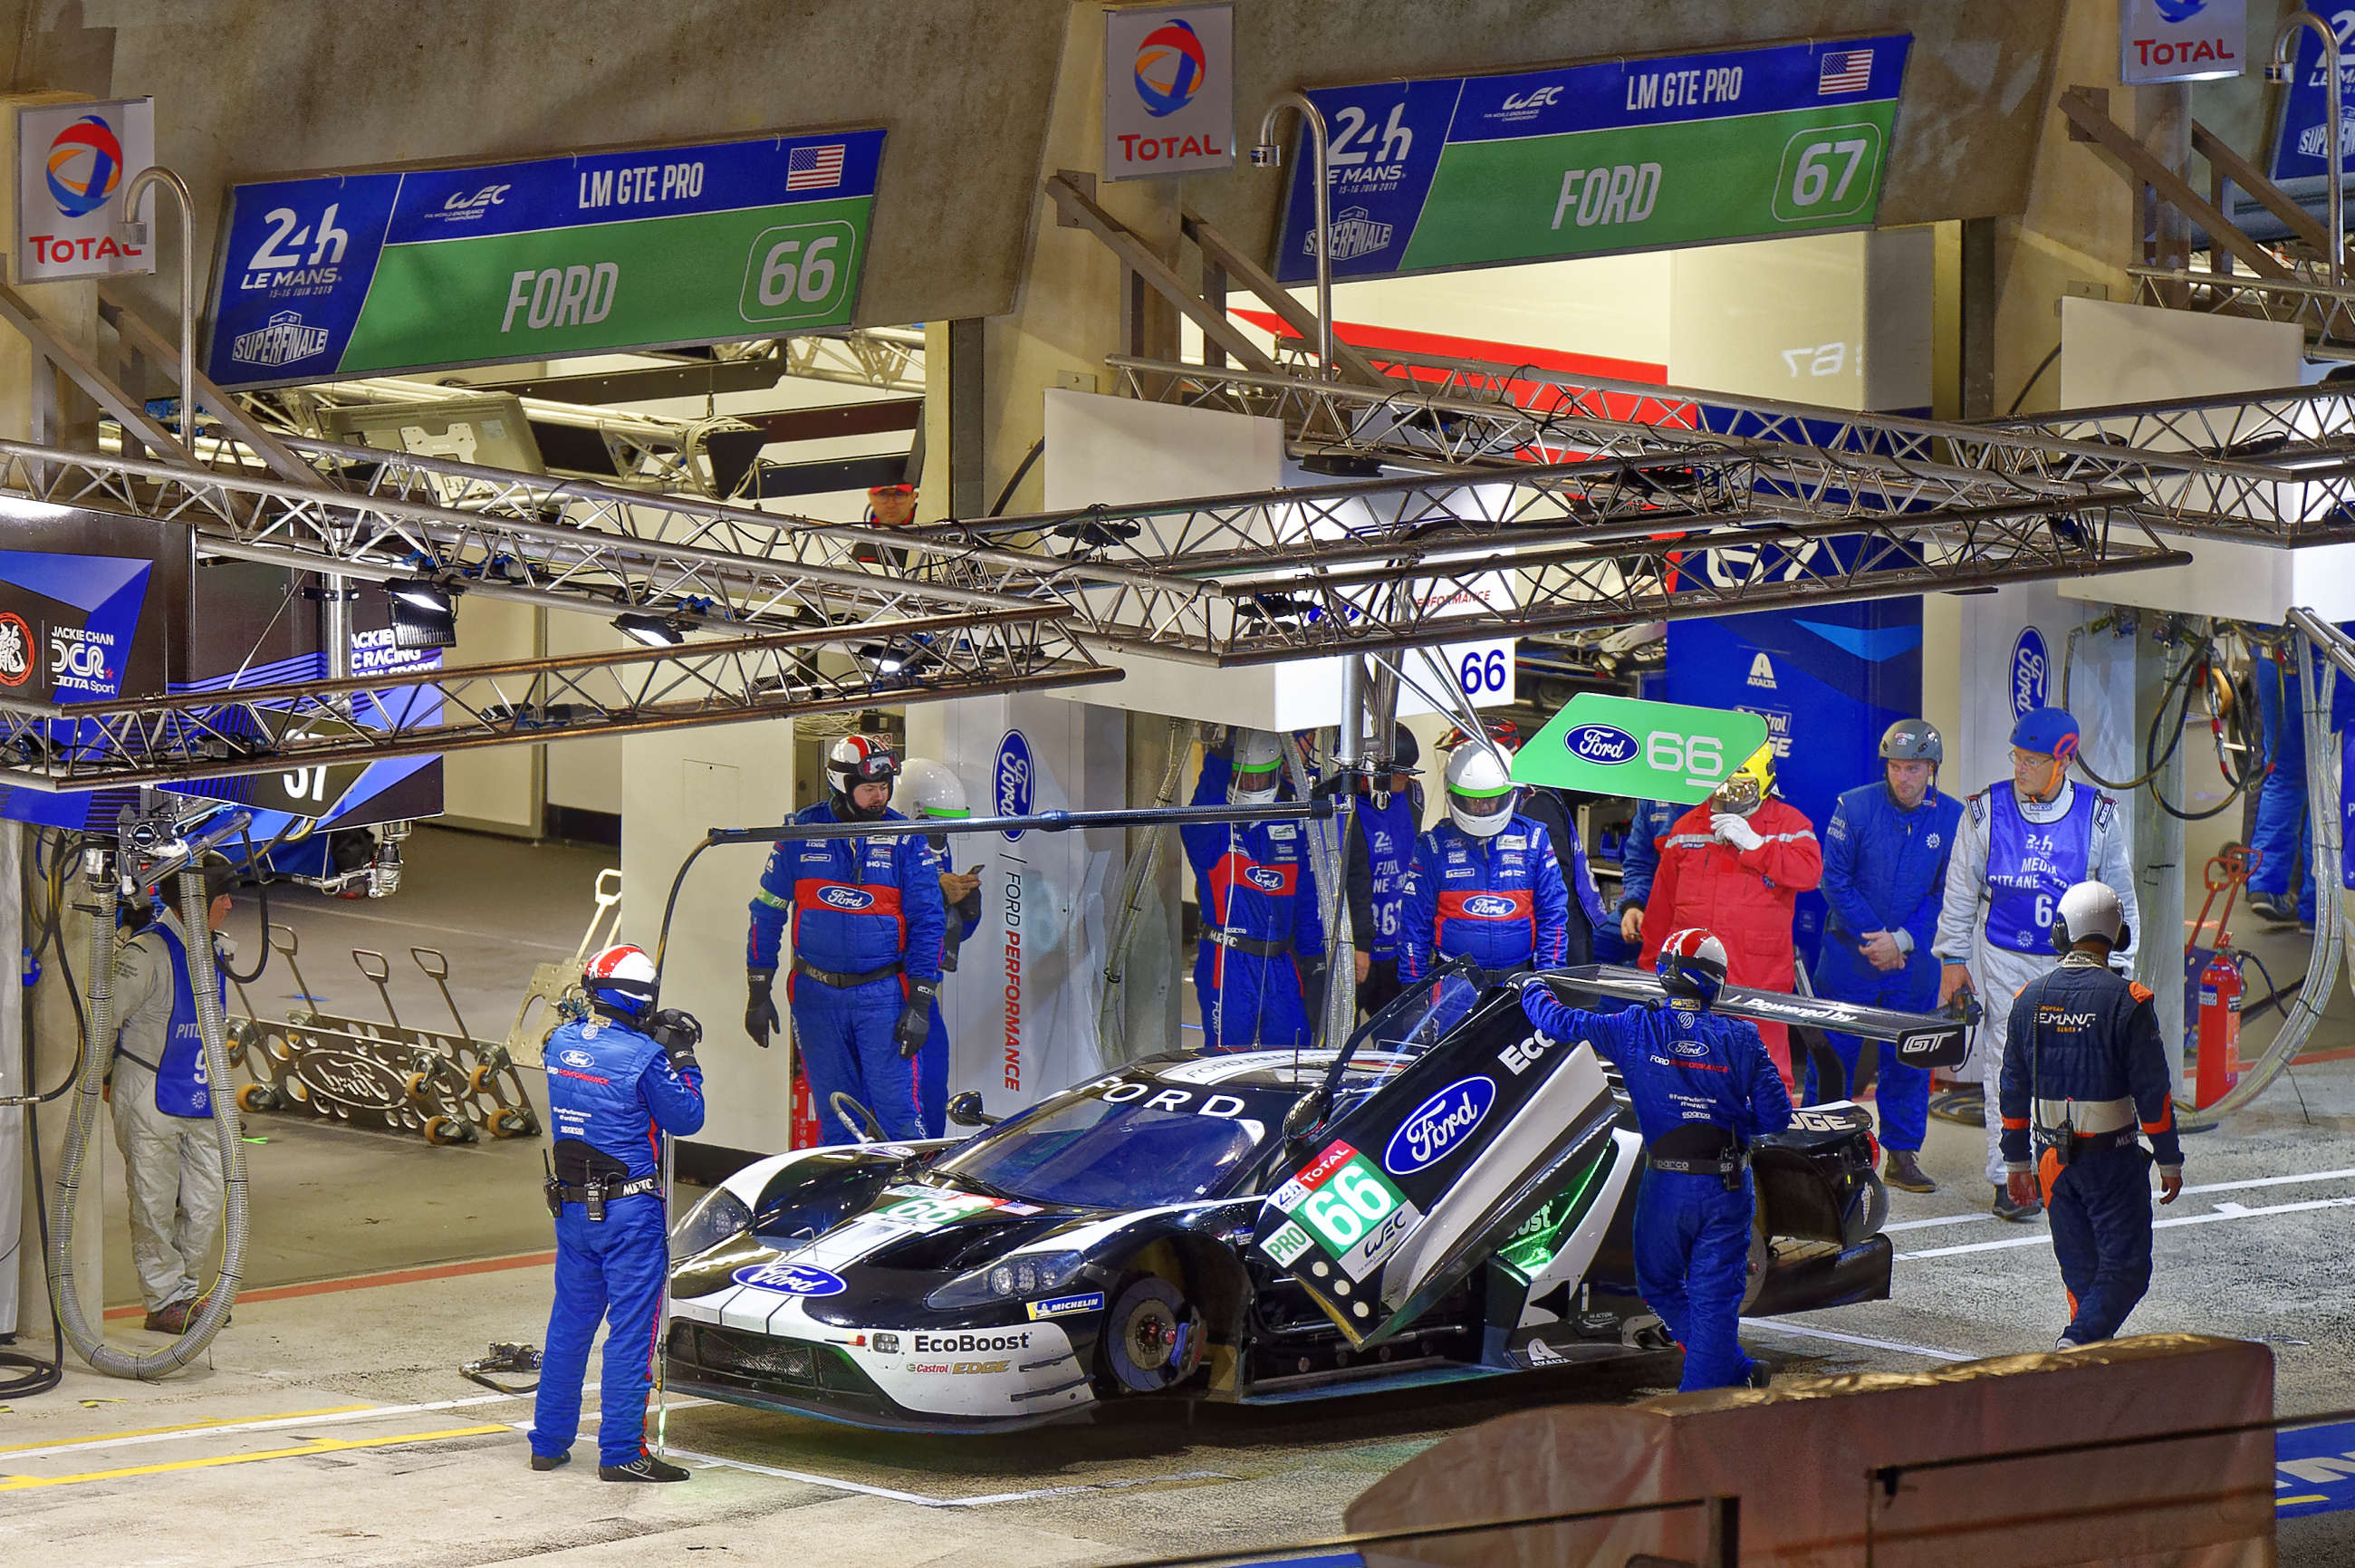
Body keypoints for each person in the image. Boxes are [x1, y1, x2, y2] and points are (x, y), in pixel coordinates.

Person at [1519, 928, 1793, 1390]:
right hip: (1725, 1187)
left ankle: (1716, 1390)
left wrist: (1532, 988)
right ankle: (1720, 1386)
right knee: (1713, 1301)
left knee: (1660, 1286)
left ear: (1664, 976)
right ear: (1716, 982)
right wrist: (1727, 1120)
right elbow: (1776, 1117)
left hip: (1663, 1187)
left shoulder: (1631, 1026)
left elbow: (1557, 1022)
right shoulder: (1743, 1037)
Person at [1936, 705, 2139, 1222]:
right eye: (2016, 757)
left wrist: (2123, 970)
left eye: (2031, 760)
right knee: (2006, 1067)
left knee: (2076, 1070)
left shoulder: (2098, 816)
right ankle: (2008, 1177)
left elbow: (2120, 899)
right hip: (2003, 958)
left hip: (2075, 964)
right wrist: (1953, 959)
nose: (2019, 767)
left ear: (2062, 761)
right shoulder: (1984, 812)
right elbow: (1959, 893)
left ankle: (2070, 1173)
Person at [529, 945, 706, 1481]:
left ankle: (549, 1442)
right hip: (630, 1214)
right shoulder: (645, 1058)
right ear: (641, 1000)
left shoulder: (558, 1043)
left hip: (573, 1210)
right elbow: (687, 1117)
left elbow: (596, 1053)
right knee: (631, 1331)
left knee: (570, 1325)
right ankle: (622, 1452)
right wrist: (682, 1059)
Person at [2000, 882, 2182, 1348]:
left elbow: (2012, 1088)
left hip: (2049, 1162)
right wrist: (2169, 1159)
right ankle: (2077, 1343)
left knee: (2082, 1276)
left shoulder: (2029, 998)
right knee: (2126, 1269)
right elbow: (2153, 1093)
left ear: (2062, 932)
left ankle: (2081, 1366)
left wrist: (2016, 1163)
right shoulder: (2130, 1000)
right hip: (2111, 1161)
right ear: (2116, 937)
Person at [745, 734, 947, 1141]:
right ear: (840, 783)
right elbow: (766, 912)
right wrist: (758, 987)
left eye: (885, 787)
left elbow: (929, 922)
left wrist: (921, 1002)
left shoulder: (906, 839)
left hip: (884, 997)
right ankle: (843, 1204)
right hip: (814, 996)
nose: (880, 796)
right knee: (838, 1119)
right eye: (870, 787)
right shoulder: (799, 832)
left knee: (900, 1117)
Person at [1812, 718, 1962, 1194]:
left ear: (1932, 768)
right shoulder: (1853, 807)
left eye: (1913, 768)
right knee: (1834, 1058)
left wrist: (1903, 941)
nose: (1903, 777)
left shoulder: (1953, 818)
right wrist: (1877, 936)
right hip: (1850, 955)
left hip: (1913, 964)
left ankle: (1902, 1155)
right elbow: (1833, 879)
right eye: (1896, 767)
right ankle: (1819, 1153)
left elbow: (1949, 892)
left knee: (1910, 1059)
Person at [1639, 744, 1821, 1092]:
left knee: (1763, 1077)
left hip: (1758, 981)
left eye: (1739, 789)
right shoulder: (1686, 827)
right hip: (1689, 979)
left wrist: (1757, 846)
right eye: (1720, 787)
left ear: (1764, 782)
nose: (1728, 798)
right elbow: (1661, 909)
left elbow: (1809, 873)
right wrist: (1651, 974)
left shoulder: (1789, 825)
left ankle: (1769, 1144)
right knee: (1686, 1075)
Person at [111, 857, 238, 1334]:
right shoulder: (145, 954)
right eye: (221, 894)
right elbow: (103, 1020)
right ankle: (165, 1300)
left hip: (204, 1092)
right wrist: (103, 1076)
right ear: (194, 900)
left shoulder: (220, 950)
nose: (230, 903)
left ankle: (185, 1293)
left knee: (207, 1203)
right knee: (153, 1203)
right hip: (148, 1092)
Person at [1180, 727, 1325, 1051]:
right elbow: (1199, 813)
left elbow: (1305, 897)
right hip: (1228, 960)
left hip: (1281, 963)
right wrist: (1219, 757)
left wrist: (1314, 956)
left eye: (1261, 779)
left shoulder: (1292, 819)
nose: (1253, 786)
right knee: (1226, 1059)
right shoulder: (1214, 833)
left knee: (1293, 1060)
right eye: (1246, 779)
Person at [1398, 743, 1572, 986]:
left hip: (1517, 983)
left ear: (1510, 794)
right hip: (1454, 984)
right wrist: (1411, 986)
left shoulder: (1533, 839)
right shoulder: (1432, 846)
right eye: (1473, 801)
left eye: (1492, 799)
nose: (1483, 807)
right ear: (1454, 795)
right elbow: (1414, 925)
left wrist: (1548, 980)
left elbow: (1553, 916)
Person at [899, 757, 982, 1138]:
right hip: (878, 993)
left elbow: (937, 935)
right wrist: (936, 894)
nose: (941, 837)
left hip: (922, 993)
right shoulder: (870, 847)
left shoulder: (934, 847)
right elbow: (874, 923)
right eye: (936, 824)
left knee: (932, 1091)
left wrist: (965, 913)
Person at [1342, 725, 1425, 1015]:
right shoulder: (1345, 805)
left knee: (1398, 1044)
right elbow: (1353, 880)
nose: (1407, 776)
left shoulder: (1413, 794)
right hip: (1356, 949)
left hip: (1399, 951)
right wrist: (1360, 945)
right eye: (1399, 770)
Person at [2245, 642, 2314, 929]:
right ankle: (2318, 905)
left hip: (2275, 654)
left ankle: (2268, 885)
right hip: (2333, 658)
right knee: (2328, 779)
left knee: (2283, 775)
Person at [1514, 782, 1613, 967]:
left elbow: (1555, 881)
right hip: (1564, 925)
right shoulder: (1533, 795)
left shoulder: (1536, 800)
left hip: (1561, 933)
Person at [1614, 797, 1680, 956]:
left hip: (1695, 917)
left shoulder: (1726, 803)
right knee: (1591, 942)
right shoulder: (1654, 797)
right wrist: (1634, 905)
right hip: (1651, 906)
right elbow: (1639, 864)